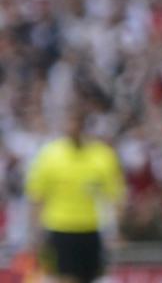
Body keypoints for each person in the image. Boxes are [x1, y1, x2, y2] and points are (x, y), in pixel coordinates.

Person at [24, 109, 124, 283]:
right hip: (60, 228)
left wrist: (115, 230)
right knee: (65, 278)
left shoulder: (102, 156)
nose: (74, 128)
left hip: (91, 229)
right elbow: (37, 196)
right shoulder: (50, 155)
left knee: (90, 278)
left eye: (78, 123)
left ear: (86, 127)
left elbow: (116, 196)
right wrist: (35, 233)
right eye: (70, 123)